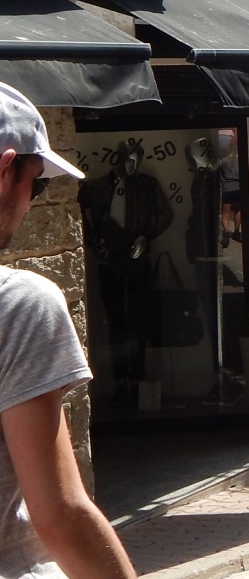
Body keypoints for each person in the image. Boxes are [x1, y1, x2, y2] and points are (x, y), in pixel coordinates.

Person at [0, 82, 137, 577]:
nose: (32, 203)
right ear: (3, 170)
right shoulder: (18, 304)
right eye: (35, 183)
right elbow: (59, 513)